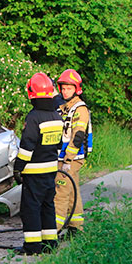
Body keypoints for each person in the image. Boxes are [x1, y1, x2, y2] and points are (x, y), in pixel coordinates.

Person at [13, 72, 63, 255]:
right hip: (50, 170)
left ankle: (32, 246)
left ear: (31, 93)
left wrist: (18, 167)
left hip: (33, 171)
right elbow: (59, 145)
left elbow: (27, 146)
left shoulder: (33, 117)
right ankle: (50, 244)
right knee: (48, 206)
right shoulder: (57, 117)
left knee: (31, 208)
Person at [54, 69, 92, 235]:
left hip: (71, 158)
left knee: (60, 192)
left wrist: (67, 161)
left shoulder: (79, 109)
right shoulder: (63, 107)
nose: (64, 91)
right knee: (72, 190)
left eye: (68, 88)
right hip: (65, 158)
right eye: (63, 88)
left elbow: (77, 137)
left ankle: (52, 232)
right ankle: (76, 228)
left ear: (77, 89)